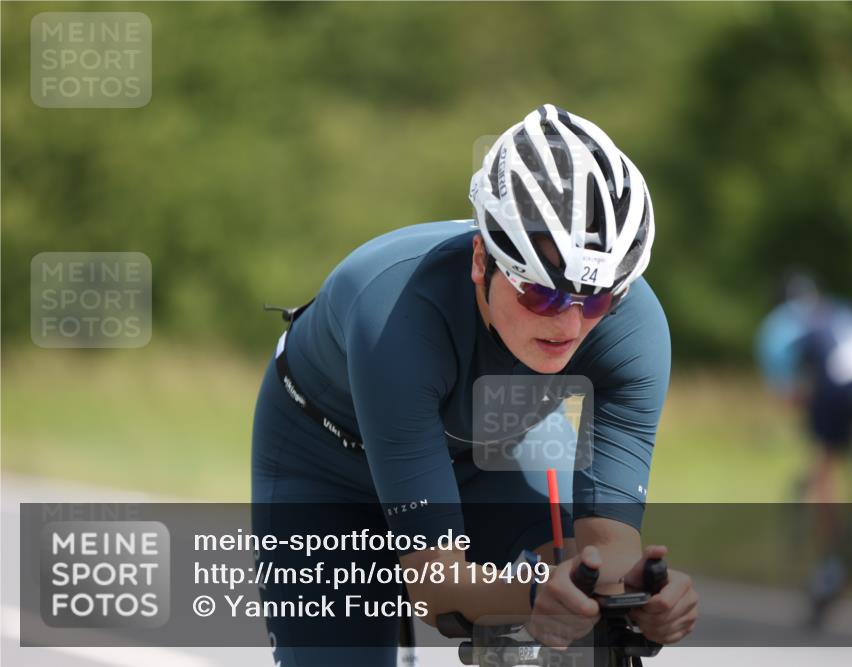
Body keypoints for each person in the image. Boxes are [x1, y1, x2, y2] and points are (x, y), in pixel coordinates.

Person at [251, 104, 698, 666]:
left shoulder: (634, 332)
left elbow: (606, 550)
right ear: (481, 260)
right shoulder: (397, 314)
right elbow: (436, 589)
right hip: (327, 462)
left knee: (589, 635)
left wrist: (633, 597)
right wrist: (536, 599)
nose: (568, 325)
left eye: (598, 299)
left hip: (488, 442)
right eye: (541, 293)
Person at [755, 272, 852, 634]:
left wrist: (806, 411)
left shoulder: (779, 326)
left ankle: (832, 561)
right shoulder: (845, 309)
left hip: (835, 390)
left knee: (824, 459)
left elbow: (789, 391)